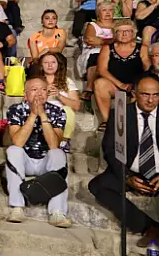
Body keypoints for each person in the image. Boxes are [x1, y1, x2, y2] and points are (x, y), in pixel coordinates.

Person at [89, 75, 159, 248]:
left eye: (156, 95)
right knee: (99, 185)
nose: (151, 100)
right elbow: (110, 149)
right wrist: (126, 176)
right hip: (131, 170)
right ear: (134, 93)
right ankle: (149, 227)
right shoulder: (120, 114)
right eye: (145, 94)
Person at [5, 78, 71, 227]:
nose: (39, 94)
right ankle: (17, 206)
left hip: (46, 163)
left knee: (58, 153)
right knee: (13, 150)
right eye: (34, 90)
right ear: (25, 94)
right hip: (25, 160)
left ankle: (57, 212)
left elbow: (54, 144)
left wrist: (43, 115)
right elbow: (18, 142)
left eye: (43, 90)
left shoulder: (57, 111)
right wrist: (33, 115)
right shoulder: (15, 110)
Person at [95, 19, 150, 131]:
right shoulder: (107, 48)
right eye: (120, 31)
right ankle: (107, 121)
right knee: (99, 84)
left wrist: (135, 84)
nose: (124, 34)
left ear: (133, 33)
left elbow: (147, 68)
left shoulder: (142, 48)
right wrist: (120, 85)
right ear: (115, 33)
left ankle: (135, 122)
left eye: (128, 31)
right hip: (115, 85)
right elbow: (102, 70)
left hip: (135, 85)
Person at [37, 53, 80, 153]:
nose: (50, 65)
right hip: (43, 110)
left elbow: (76, 106)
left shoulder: (67, 81)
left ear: (58, 64)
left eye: (53, 62)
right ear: (41, 66)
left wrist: (59, 96)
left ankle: (63, 142)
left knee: (68, 110)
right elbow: (27, 102)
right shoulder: (36, 81)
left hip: (61, 112)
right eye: (46, 63)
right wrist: (44, 93)